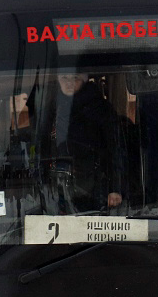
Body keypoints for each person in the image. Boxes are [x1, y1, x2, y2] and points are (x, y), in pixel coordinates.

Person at [31, 72, 125, 212]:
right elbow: (41, 147)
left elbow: (116, 148)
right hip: (58, 184)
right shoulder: (50, 107)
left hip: (95, 184)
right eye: (64, 77)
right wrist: (42, 182)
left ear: (84, 80)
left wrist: (115, 188)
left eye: (75, 78)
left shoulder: (99, 108)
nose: (69, 82)